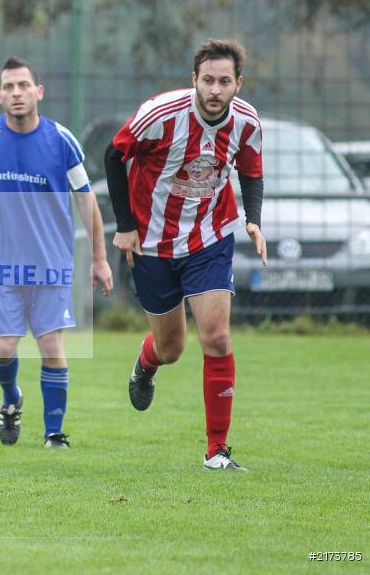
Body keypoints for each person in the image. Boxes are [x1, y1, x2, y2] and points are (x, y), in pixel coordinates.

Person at [104, 38, 267, 471]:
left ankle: (216, 451)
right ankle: (146, 362)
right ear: (194, 79)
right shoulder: (160, 114)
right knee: (172, 347)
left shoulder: (247, 122)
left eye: (225, 81)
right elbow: (112, 156)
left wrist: (253, 219)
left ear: (238, 84)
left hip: (210, 239)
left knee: (216, 337)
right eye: (208, 80)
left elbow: (251, 172)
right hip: (152, 244)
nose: (215, 89)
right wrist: (124, 226)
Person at [0, 57, 113, 449]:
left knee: (52, 346)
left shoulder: (61, 140)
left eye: (23, 85)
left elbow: (86, 203)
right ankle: (11, 399)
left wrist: (99, 259)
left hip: (51, 265)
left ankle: (54, 432)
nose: (16, 93)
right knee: (3, 350)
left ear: (38, 92)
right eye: (8, 87)